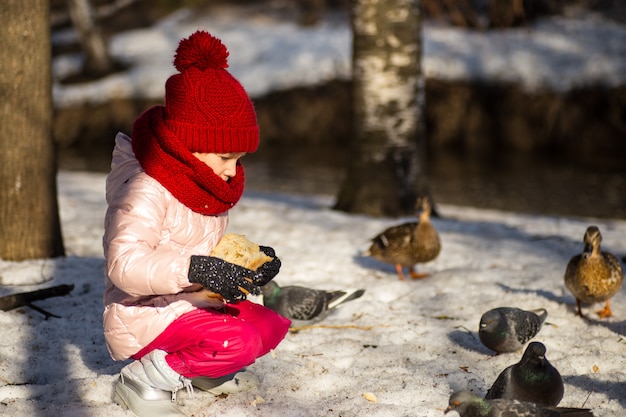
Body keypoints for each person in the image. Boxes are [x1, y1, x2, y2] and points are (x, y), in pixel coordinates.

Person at [102, 31, 291, 417]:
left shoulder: (202, 182)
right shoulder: (146, 189)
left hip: (187, 303)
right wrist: (195, 269)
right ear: (189, 144)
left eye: (238, 159)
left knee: (270, 326)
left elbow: (202, 251)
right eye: (225, 156)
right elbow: (125, 266)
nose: (231, 170)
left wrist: (247, 265)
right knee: (237, 342)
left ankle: (201, 370)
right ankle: (145, 378)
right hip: (145, 315)